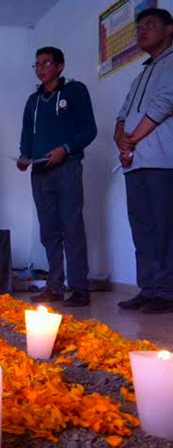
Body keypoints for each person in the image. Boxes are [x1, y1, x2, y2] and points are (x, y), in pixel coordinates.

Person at [17, 47, 97, 307]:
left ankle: (80, 289)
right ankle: (54, 286)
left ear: (60, 67)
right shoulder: (33, 101)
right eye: (37, 64)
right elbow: (26, 136)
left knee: (72, 228)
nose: (41, 68)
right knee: (49, 232)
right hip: (39, 172)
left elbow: (89, 130)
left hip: (67, 168)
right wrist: (23, 157)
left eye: (47, 63)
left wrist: (65, 149)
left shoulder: (75, 91)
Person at [115, 8, 173, 314]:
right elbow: (123, 113)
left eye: (150, 25)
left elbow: (166, 102)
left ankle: (166, 291)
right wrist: (120, 137)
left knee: (164, 228)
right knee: (141, 228)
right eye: (139, 27)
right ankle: (148, 288)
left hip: (163, 161)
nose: (142, 31)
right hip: (134, 162)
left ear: (170, 29)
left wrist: (132, 138)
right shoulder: (141, 73)